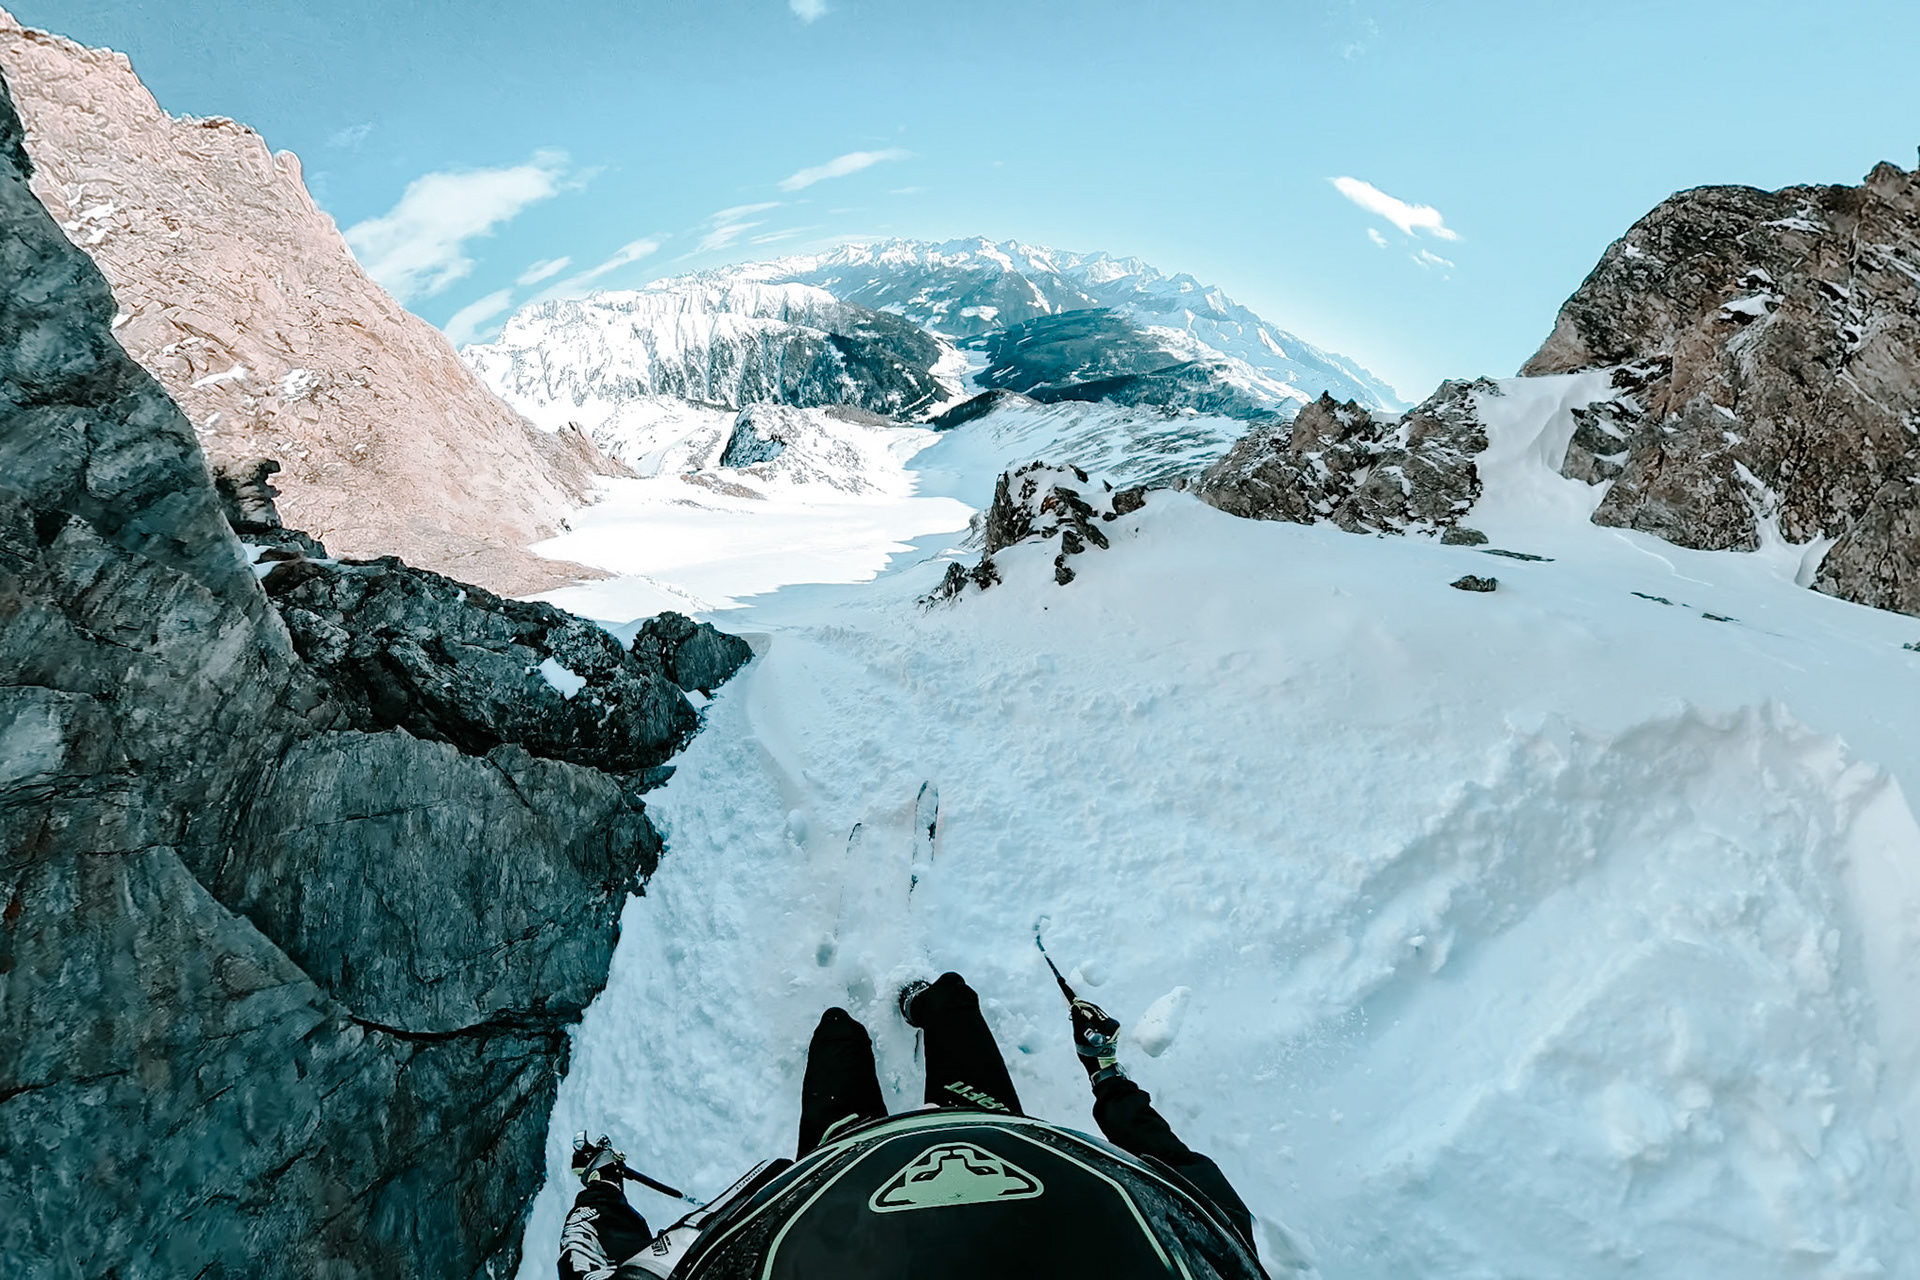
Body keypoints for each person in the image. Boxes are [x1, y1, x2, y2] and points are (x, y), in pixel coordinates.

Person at [559, 972, 1265, 1280]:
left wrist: (1106, 1078)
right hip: (874, 1166)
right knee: (856, 1045)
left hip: (892, 1164)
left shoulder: (1218, 1251)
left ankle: (912, 1004)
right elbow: (591, 1260)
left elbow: (1184, 1177)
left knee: (854, 1037)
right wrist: (600, 1193)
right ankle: (916, 1005)